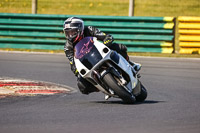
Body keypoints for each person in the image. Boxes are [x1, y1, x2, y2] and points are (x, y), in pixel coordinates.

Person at [63, 17, 141, 95]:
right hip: (87, 61)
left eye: (72, 32)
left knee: (119, 47)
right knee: (82, 85)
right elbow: (72, 62)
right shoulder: (68, 47)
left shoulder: (89, 30)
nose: (70, 35)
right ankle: (102, 86)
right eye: (68, 33)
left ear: (79, 29)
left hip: (98, 52)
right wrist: (77, 71)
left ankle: (131, 64)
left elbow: (105, 36)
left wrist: (107, 40)